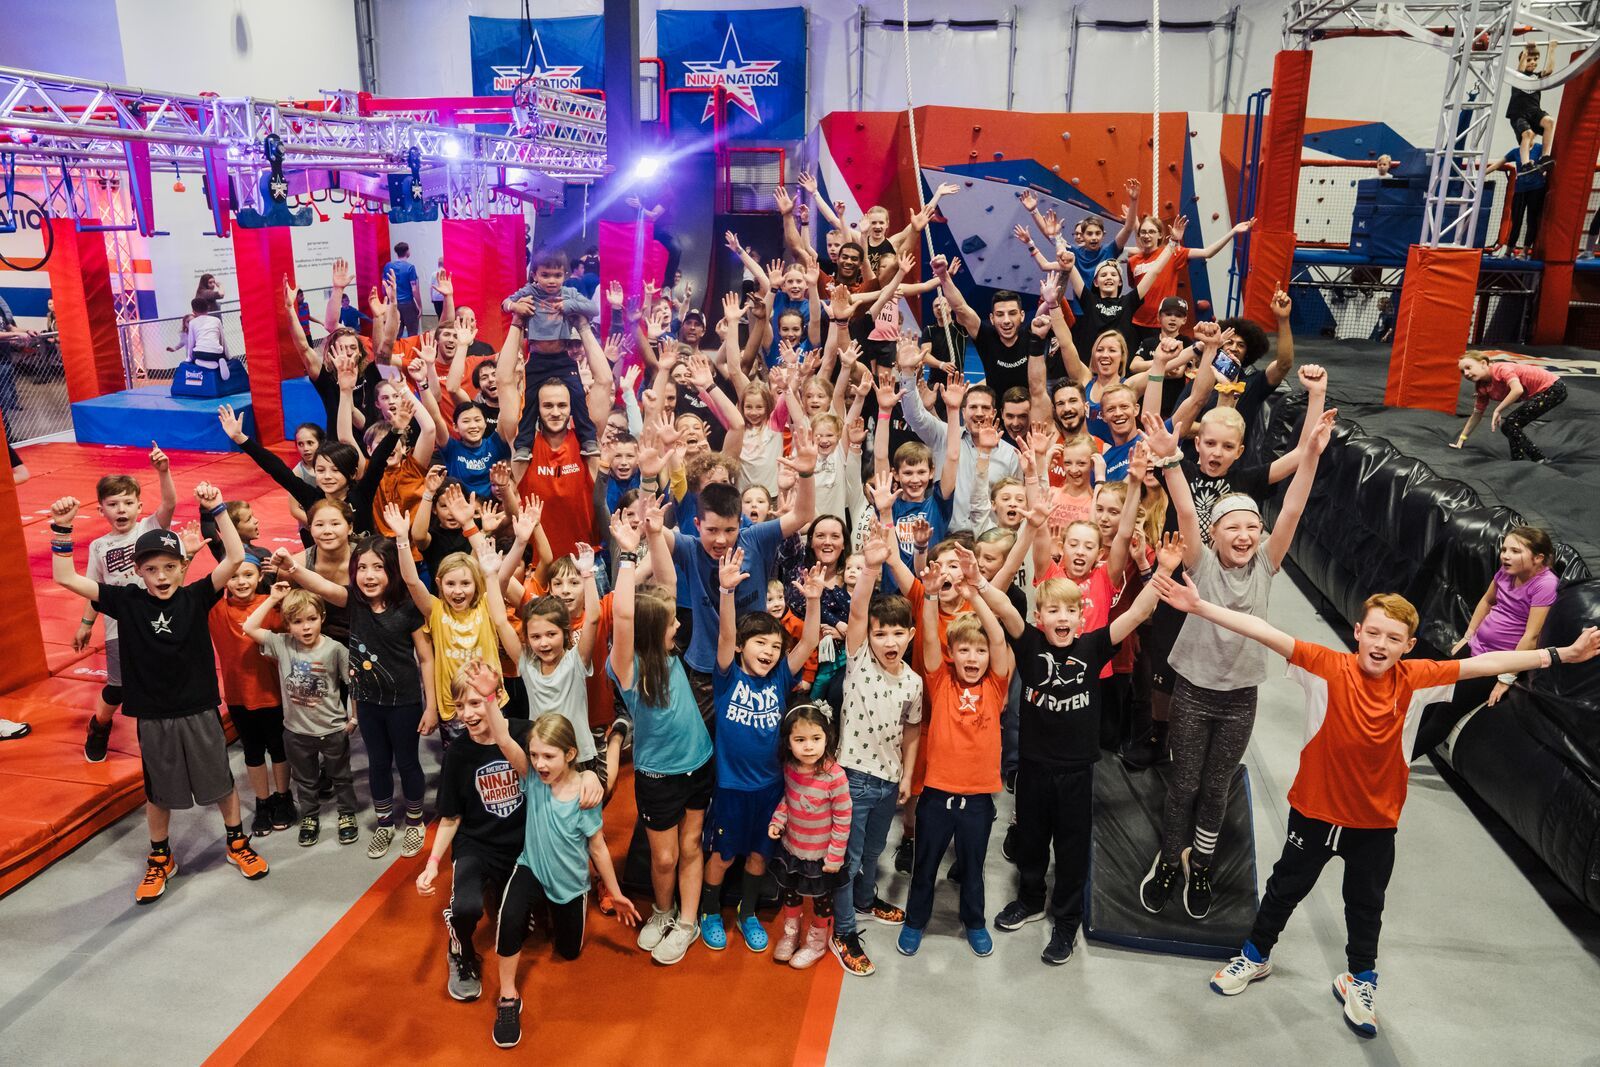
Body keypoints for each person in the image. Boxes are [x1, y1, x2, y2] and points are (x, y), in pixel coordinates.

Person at [1155, 578, 1600, 1038]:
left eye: (1393, 638)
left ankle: (1359, 979)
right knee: (1285, 887)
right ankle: (1256, 955)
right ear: (1357, 632)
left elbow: (1485, 663)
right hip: (1315, 813)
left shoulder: (1416, 680)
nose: (1381, 644)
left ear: (1408, 646)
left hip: (1374, 825)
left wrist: (1562, 654)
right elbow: (1264, 631)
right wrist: (1200, 606)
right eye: (1373, 632)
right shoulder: (1325, 666)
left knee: (1366, 905)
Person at [1137, 374, 1331, 919]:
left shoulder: (1267, 564)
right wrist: (1170, 459)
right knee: (1184, 784)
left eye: (1252, 527)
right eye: (1233, 527)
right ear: (1214, 534)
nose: (1244, 535)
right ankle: (1169, 860)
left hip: (1240, 697)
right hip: (1194, 692)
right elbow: (1183, 507)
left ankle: (1200, 862)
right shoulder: (1199, 561)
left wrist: (1312, 455)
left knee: (1216, 786)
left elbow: (1292, 508)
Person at [50, 483, 269, 903]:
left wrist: (217, 509)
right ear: (139, 571)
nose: (162, 576)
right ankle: (160, 857)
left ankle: (236, 842)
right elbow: (65, 577)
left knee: (220, 781)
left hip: (198, 708)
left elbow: (235, 557)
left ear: (183, 567)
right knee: (159, 790)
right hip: (153, 714)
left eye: (170, 567)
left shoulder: (197, 595)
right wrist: (62, 528)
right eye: (152, 569)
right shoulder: (126, 601)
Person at [993, 532, 1185, 964]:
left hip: (1077, 772)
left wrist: (1164, 570)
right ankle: (1030, 899)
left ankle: (1066, 919)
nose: (1062, 618)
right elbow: (1001, 605)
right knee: (1031, 841)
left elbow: (1139, 612)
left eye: (1070, 611)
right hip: (1034, 768)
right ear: (1039, 617)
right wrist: (977, 581)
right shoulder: (1029, 643)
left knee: (1071, 848)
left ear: (1082, 618)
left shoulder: (1094, 645)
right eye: (1053, 610)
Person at [699, 550, 824, 953]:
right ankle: (709, 911)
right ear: (741, 647)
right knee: (723, 857)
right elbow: (724, 636)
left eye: (775, 645)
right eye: (760, 643)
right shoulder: (726, 676)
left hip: (772, 790)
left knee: (758, 855)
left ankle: (748, 912)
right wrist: (726, 592)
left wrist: (814, 599)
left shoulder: (780, 677)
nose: (769, 651)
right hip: (732, 790)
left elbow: (809, 640)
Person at [485, 703, 631, 1049]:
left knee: (568, 952)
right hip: (532, 868)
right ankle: (508, 997)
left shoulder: (585, 796)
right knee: (509, 918)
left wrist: (615, 892)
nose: (539, 763)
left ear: (570, 754)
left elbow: (598, 848)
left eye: (548, 756)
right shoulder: (532, 778)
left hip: (569, 886)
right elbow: (503, 739)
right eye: (535, 755)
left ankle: (548, 912)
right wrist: (489, 697)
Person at [279, 534, 435, 856]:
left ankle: (415, 821)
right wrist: (293, 567)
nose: (369, 575)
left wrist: (431, 705)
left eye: (378, 567)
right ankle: (385, 823)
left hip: (404, 702)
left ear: (392, 570)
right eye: (362, 567)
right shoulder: (354, 601)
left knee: (407, 762)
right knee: (378, 763)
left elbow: (426, 657)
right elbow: (322, 586)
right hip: (367, 703)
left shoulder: (408, 607)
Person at [605, 510, 714, 966]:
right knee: (664, 857)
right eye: (671, 624)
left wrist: (653, 533)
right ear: (653, 630)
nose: (678, 626)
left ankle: (686, 921)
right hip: (657, 775)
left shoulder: (669, 653)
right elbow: (624, 612)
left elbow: (667, 582)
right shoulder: (627, 667)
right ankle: (663, 911)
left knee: (691, 846)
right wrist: (628, 555)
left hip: (700, 764)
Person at [899, 550, 1016, 959]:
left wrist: (974, 595)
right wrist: (930, 597)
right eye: (964, 651)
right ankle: (915, 921)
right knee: (925, 865)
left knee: (973, 868)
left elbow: (997, 637)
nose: (972, 658)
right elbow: (931, 639)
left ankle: (975, 922)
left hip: (978, 799)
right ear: (953, 654)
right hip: (936, 795)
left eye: (979, 652)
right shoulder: (940, 681)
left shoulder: (996, 685)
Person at [828, 522, 924, 977]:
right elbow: (859, 610)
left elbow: (912, 729)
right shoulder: (859, 660)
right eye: (881, 633)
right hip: (852, 778)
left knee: (873, 853)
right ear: (868, 637)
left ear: (910, 636)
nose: (889, 641)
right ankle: (843, 931)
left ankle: (865, 901)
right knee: (847, 859)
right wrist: (870, 568)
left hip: (888, 781)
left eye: (898, 634)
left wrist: (907, 774)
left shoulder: (913, 682)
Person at [77, 445, 179, 763]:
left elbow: (169, 503)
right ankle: (99, 726)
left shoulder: (149, 529)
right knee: (118, 687)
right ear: (101, 510)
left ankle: (164, 734)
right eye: (113, 504)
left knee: (160, 679)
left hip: (156, 620)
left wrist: (163, 471)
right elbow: (95, 590)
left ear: (139, 506)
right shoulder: (99, 546)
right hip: (119, 628)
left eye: (128, 503)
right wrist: (85, 624)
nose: (121, 510)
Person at [243, 585, 357, 846]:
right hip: (296, 732)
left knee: (341, 777)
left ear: (322, 618)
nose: (305, 627)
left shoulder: (335, 649)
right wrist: (273, 598)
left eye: (311, 619)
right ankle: (310, 816)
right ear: (287, 624)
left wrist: (354, 718)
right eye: (297, 622)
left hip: (332, 729)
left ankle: (347, 813)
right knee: (305, 780)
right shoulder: (282, 644)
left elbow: (354, 685)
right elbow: (249, 627)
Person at [207, 553, 294, 836]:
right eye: (233, 576)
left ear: (259, 577)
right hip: (238, 696)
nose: (241, 581)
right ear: (224, 580)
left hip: (273, 694)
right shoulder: (216, 610)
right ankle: (263, 801)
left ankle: (283, 796)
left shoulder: (274, 605)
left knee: (278, 748)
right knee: (253, 751)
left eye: (248, 575)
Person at [767, 702, 853, 969]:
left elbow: (843, 819)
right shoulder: (790, 768)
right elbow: (789, 799)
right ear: (788, 742)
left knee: (821, 900)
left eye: (816, 738)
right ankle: (791, 934)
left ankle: (817, 942)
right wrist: (778, 820)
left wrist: (835, 856)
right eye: (800, 740)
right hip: (793, 850)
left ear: (827, 737)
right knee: (790, 894)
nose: (808, 747)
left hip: (821, 856)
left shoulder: (835, 776)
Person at [1454, 352, 1567, 462]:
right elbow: (1476, 414)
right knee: (1509, 426)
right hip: (1543, 392)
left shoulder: (1501, 370)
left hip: (1553, 388)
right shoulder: (1482, 387)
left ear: (1483, 363)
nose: (1466, 373)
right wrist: (1461, 439)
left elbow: (1517, 390)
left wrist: (1498, 410)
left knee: (1510, 424)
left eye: (1468, 367)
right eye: (1462, 371)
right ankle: (1518, 459)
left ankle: (1538, 458)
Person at [1506, 41, 1557, 171]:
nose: (1533, 62)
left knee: (1549, 122)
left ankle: (1545, 156)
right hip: (1519, 114)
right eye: (1529, 60)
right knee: (1528, 134)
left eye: (1535, 59)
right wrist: (1526, 50)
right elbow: (1521, 67)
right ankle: (1525, 164)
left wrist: (1551, 49)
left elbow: (1549, 70)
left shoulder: (1537, 76)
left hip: (1534, 112)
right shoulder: (1518, 75)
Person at [384, 242, 423, 338]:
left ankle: (396, 347)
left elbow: (384, 286)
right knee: (412, 333)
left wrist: (388, 302)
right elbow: (414, 289)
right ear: (407, 251)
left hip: (393, 304)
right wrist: (419, 305)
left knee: (395, 333)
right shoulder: (410, 267)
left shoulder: (388, 266)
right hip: (408, 304)